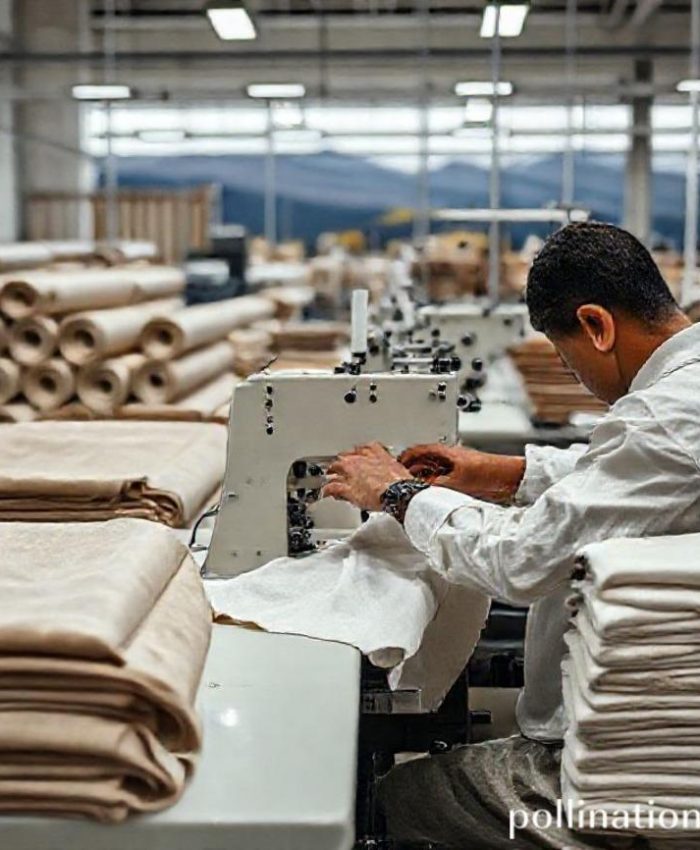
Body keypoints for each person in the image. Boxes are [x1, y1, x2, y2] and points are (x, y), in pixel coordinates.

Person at [324, 222, 700, 850]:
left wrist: (395, 494)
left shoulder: (663, 416)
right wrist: (505, 473)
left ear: (597, 326)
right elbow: (626, 480)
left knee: (385, 801)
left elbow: (521, 562)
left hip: (640, 769)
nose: (568, 371)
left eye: (562, 353)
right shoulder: (684, 391)